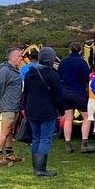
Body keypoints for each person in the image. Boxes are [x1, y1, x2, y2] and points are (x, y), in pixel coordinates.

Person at [22, 47, 65, 177]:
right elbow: (58, 95)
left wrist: (26, 108)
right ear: (51, 59)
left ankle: (36, 167)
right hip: (47, 111)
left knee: (36, 137)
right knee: (45, 138)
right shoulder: (53, 75)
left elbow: (26, 93)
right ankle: (41, 169)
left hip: (31, 110)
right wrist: (61, 110)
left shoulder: (30, 73)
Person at [58, 42, 95, 154]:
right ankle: (84, 144)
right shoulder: (82, 62)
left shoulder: (63, 61)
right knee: (87, 118)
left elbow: (59, 75)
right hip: (78, 93)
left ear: (69, 50)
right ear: (80, 51)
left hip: (65, 92)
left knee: (68, 118)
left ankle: (67, 144)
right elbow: (87, 78)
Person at [0, 47, 23, 166]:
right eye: (19, 56)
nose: (21, 58)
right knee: (5, 130)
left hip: (15, 105)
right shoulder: (4, 71)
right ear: (12, 57)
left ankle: (10, 153)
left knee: (10, 130)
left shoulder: (15, 70)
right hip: (8, 105)